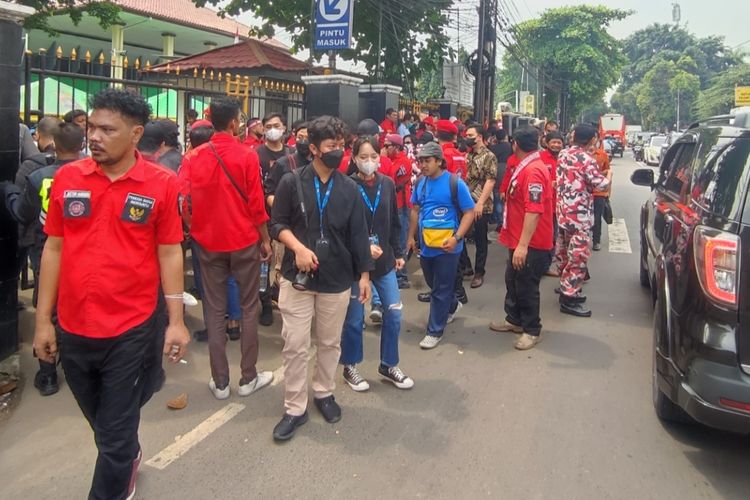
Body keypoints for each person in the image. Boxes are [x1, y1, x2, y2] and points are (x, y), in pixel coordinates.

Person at [33, 88, 189, 500]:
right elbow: (54, 248)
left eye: (107, 129)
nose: (95, 137)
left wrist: (175, 322)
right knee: (103, 423)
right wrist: (41, 322)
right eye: (92, 128)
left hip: (131, 329)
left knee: (115, 435)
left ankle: (115, 480)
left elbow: (170, 251)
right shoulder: (67, 177)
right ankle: (125, 453)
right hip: (73, 326)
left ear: (136, 134)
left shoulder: (161, 184)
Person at [270, 115, 372, 441]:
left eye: (341, 146)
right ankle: (294, 407)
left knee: (329, 342)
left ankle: (324, 392)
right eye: (331, 147)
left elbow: (359, 235)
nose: (338, 152)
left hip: (338, 279)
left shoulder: (350, 189)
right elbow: (277, 225)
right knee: (295, 344)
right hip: (297, 277)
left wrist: (365, 275)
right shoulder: (291, 182)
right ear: (313, 148)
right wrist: (297, 248)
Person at [179, 96, 274, 399]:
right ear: (234, 123)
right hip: (244, 240)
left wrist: (195, 227)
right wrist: (265, 239)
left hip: (208, 243)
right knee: (248, 308)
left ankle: (220, 382)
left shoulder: (193, 157)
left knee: (214, 309)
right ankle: (248, 377)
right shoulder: (247, 156)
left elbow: (183, 201)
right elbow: (257, 206)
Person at [2, 122, 83, 395]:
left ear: (52, 146)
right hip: (82, 251)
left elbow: (23, 214)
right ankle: (77, 367)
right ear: (82, 145)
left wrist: (10, 193)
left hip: (45, 251)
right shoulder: (91, 176)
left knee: (47, 310)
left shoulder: (39, 177)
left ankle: (48, 375)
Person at [340, 137, 414, 391]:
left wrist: (399, 251)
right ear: (353, 158)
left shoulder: (388, 184)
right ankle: (350, 366)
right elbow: (341, 228)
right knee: (354, 318)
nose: (369, 162)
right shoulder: (346, 186)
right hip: (354, 263)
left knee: (394, 312)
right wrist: (362, 247)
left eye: (373, 156)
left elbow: (394, 220)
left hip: (384, 262)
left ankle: (388, 363)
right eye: (363, 157)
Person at [491, 127, 554, 350]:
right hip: (518, 239)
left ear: (515, 144)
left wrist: (523, 246)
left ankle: (531, 329)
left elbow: (534, 210)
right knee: (513, 280)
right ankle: (514, 319)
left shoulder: (533, 171)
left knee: (526, 285)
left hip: (531, 243)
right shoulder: (525, 166)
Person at [407, 142, 475, 350]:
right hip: (427, 246)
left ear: (439, 161)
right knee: (433, 283)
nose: (423, 165)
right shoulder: (421, 183)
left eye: (427, 161)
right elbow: (415, 210)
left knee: (441, 288)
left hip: (449, 248)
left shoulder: (455, 183)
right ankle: (453, 305)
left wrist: (457, 238)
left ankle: (434, 331)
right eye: (421, 161)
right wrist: (411, 237)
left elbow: (469, 212)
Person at [556, 124, 611, 317]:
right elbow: (601, 184)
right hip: (579, 215)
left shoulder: (563, 154)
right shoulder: (587, 159)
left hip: (563, 212)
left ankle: (565, 285)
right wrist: (609, 175)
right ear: (591, 140)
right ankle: (568, 296)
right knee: (578, 256)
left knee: (564, 251)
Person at [463, 125, 498, 289]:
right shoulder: (469, 154)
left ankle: (479, 272)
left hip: (480, 202)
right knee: (459, 233)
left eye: (470, 134)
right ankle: (466, 266)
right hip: (466, 201)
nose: (467, 137)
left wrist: (480, 203)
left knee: (480, 239)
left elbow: (490, 180)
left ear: (479, 137)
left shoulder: (489, 156)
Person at [590, 137, 612, 251]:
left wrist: (608, 191)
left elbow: (608, 172)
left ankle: (596, 241)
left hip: (599, 192)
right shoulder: (580, 155)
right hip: (584, 192)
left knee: (597, 217)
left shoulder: (602, 154)